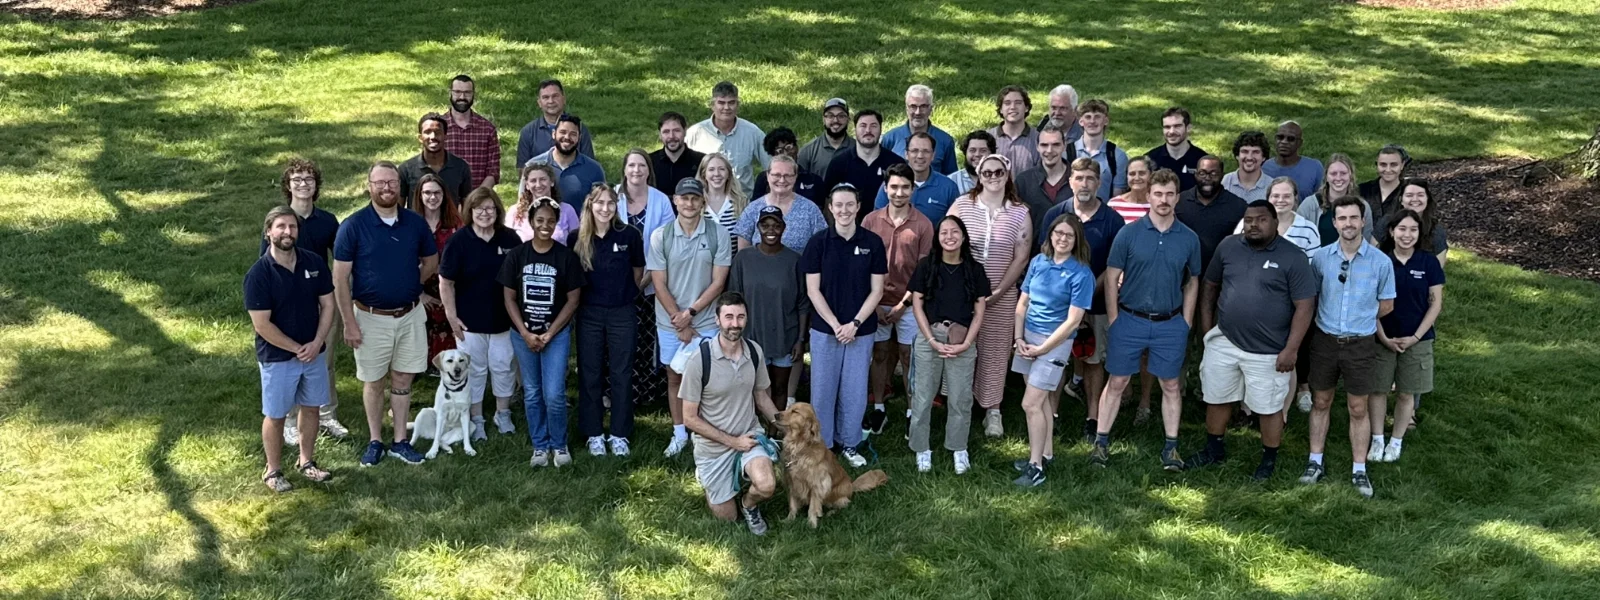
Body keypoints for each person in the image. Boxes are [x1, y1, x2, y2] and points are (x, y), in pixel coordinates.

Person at [1187, 201, 1318, 481]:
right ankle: (1214, 449)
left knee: (1269, 407)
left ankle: (1268, 459)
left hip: (1270, 349)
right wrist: (1209, 330)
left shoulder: (1292, 256)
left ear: (1275, 223)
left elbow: (1305, 305)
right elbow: (1210, 286)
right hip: (1224, 341)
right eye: (1248, 220)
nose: (1253, 225)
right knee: (1217, 397)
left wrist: (1291, 349)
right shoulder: (1228, 247)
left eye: (1261, 220)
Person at [1092, 169, 1201, 472]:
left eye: (1169, 194)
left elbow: (1193, 281)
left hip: (1170, 323)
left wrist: (1186, 322)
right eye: (1158, 193)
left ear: (1177, 197)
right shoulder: (1129, 233)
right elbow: (1112, 276)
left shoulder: (1189, 238)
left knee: (1170, 384)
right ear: (1149, 196)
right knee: (1117, 381)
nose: (1164, 200)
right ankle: (1101, 443)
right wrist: (1114, 319)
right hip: (1129, 318)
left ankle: (1171, 448)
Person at [333, 161, 438, 467]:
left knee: (404, 377)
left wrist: (411, 283)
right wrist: (349, 323)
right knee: (374, 381)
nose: (387, 188)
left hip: (409, 315)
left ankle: (401, 441)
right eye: (380, 183)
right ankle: (376, 439)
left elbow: (431, 261)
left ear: (399, 186)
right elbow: (340, 279)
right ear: (370, 186)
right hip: (369, 317)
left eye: (391, 183)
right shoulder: (353, 226)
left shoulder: (414, 223)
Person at [1302, 197, 1396, 499]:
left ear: (1363, 221)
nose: (1348, 224)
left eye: (1354, 218)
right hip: (1325, 341)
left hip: (1361, 343)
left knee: (1358, 407)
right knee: (1321, 401)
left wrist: (1360, 316)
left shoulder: (1381, 262)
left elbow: (1386, 305)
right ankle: (1315, 462)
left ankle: (1359, 469)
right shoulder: (1320, 258)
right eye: (1342, 218)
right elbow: (1312, 297)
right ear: (1334, 223)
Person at [246, 206, 336, 492]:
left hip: (313, 352)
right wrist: (299, 348)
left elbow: (328, 305)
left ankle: (306, 462)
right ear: (268, 232)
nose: (288, 232)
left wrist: (317, 342)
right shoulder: (258, 274)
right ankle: (273, 471)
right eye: (281, 226)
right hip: (278, 357)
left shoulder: (313, 262)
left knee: (311, 408)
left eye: (293, 227)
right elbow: (262, 325)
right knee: (276, 414)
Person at [680, 292, 783, 534]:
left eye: (740, 317)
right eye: (728, 317)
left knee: (767, 485)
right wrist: (732, 442)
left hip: (749, 437)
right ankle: (709, 476)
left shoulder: (754, 352)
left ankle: (749, 504)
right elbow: (689, 418)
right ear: (717, 320)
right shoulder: (699, 360)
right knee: (728, 519)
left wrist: (786, 426)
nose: (734, 324)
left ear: (746, 319)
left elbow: (762, 397)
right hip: (713, 448)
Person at [946, 154, 1033, 438]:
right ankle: (960, 404)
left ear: (1007, 174)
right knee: (961, 345)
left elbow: (1021, 258)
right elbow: (949, 244)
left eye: (998, 172)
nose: (993, 177)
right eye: (987, 172)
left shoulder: (1020, 212)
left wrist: (997, 293)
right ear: (979, 175)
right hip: (964, 294)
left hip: (1002, 294)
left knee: (995, 351)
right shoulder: (961, 205)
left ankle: (992, 410)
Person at [802, 184, 888, 467]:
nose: (844, 210)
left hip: (860, 331)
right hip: (826, 329)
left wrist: (854, 323)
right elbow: (813, 290)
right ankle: (823, 447)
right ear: (830, 207)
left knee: (854, 390)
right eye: (838, 205)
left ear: (858, 206)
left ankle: (850, 443)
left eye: (849, 204)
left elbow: (877, 290)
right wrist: (836, 324)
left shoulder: (872, 242)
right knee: (822, 390)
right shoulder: (818, 243)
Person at [264, 159, 349, 442]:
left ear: (316, 186)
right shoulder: (279, 222)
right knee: (289, 362)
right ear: (288, 186)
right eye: (297, 179)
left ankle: (327, 415)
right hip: (286, 305)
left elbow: (341, 260)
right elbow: (266, 267)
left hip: (323, 301)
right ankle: (289, 421)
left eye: (309, 179)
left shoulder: (327, 220)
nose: (303, 184)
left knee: (324, 360)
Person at [498, 197, 586, 468]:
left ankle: (559, 445)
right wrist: (524, 332)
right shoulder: (517, 255)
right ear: (530, 222)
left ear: (556, 223)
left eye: (550, 221)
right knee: (532, 391)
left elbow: (573, 299)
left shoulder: (566, 257)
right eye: (540, 220)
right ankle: (539, 445)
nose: (545, 225)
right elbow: (509, 298)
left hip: (555, 336)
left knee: (554, 393)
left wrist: (550, 333)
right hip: (523, 335)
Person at [648, 178, 733, 457]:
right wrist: (679, 319)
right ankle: (679, 433)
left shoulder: (717, 234)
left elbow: (718, 282)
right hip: (670, 323)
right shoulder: (661, 236)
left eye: (695, 198)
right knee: (674, 377)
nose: (689, 203)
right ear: (675, 200)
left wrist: (691, 314)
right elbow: (659, 284)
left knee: (708, 379)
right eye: (684, 198)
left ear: (703, 201)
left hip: (707, 321)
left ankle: (706, 434)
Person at [1041, 158, 1125, 441]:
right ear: (1070, 182)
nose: (1084, 184)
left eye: (1090, 178)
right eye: (1079, 178)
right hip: (1057, 306)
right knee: (1056, 359)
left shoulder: (1113, 220)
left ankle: (1092, 417)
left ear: (1099, 183)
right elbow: (1045, 257)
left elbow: (1115, 267)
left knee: (1092, 361)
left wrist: (1086, 295)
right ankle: (1051, 414)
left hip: (1098, 303)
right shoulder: (1056, 213)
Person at [1010, 214, 1095, 488]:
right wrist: (1018, 338)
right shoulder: (1038, 262)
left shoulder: (1082, 273)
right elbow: (1022, 304)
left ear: (1076, 240)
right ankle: (1046, 454)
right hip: (1028, 339)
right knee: (1042, 401)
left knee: (1030, 403)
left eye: (1069, 235)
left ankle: (1035, 468)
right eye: (1058, 233)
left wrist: (1042, 349)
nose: (1062, 239)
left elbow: (1073, 321)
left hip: (1054, 343)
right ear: (1050, 235)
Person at [907, 215, 990, 474]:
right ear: (938, 237)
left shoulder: (974, 269)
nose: (949, 237)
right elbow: (917, 304)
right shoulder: (926, 266)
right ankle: (921, 448)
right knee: (922, 397)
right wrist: (930, 339)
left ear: (963, 236)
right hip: (929, 337)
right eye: (944, 232)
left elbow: (980, 309)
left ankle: (958, 447)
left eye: (955, 232)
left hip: (961, 341)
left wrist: (967, 343)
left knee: (960, 399)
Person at [439, 188, 523, 440]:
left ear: (497, 211)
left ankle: (502, 413)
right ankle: (476, 417)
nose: (485, 213)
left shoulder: (510, 239)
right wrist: (452, 317)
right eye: (479, 209)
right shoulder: (459, 241)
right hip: (469, 322)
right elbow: (446, 282)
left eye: (490, 208)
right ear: (470, 211)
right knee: (473, 370)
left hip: (504, 320)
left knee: (503, 366)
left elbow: (519, 279)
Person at [573, 185, 646, 457]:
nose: (605, 208)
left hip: (622, 312)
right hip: (589, 313)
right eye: (600, 203)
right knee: (590, 373)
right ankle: (593, 433)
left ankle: (619, 434)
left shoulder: (629, 235)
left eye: (611, 203)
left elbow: (638, 272)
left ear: (618, 206)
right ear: (590, 206)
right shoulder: (577, 239)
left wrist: (626, 294)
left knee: (621, 373)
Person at [862, 164, 935, 433]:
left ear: (913, 190)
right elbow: (863, 265)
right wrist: (876, 305)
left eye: (905, 187)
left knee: (909, 356)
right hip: (876, 301)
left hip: (910, 302)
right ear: (885, 188)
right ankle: (879, 408)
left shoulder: (924, 224)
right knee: (879, 353)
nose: (899, 192)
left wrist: (904, 304)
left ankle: (911, 411)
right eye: (894, 186)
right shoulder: (870, 221)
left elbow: (924, 271)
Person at [1370, 209, 1444, 463]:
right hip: (1382, 338)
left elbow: (1435, 304)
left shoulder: (1429, 262)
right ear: (1392, 231)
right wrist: (1382, 337)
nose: (1407, 235)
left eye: (1413, 229)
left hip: (1417, 340)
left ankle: (1396, 441)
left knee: (1406, 393)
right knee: (1378, 390)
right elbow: (1370, 304)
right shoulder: (1380, 261)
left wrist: (1414, 337)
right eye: (1402, 229)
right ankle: (1377, 439)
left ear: (1419, 233)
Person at [729, 206, 809, 409]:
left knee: (780, 388)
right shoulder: (743, 259)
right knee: (754, 390)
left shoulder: (794, 261)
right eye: (765, 225)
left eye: (776, 225)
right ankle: (756, 433)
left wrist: (800, 339)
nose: (770, 230)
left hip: (784, 337)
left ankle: (775, 433)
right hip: (752, 337)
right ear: (758, 228)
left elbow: (802, 303)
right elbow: (734, 299)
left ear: (784, 228)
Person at [617, 149, 677, 415]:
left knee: (647, 340)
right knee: (618, 340)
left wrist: (643, 281)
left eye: (642, 165)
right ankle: (617, 391)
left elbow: (665, 243)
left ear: (648, 170)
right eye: (632, 165)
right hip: (616, 284)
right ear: (625, 169)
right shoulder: (613, 196)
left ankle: (647, 392)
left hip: (652, 282)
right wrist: (627, 283)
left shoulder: (661, 201)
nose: (636, 170)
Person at [410, 174, 463, 369]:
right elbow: (404, 263)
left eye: (437, 192)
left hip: (449, 287)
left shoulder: (456, 225)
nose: (432, 197)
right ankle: (419, 366)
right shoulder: (410, 225)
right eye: (427, 193)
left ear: (444, 195)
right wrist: (419, 293)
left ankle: (447, 363)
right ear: (420, 196)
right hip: (418, 286)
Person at [685, 81, 770, 196]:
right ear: (712, 105)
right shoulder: (695, 133)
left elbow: (771, 166)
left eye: (731, 103)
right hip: (705, 203)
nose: (726, 107)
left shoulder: (752, 132)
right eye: (721, 103)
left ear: (737, 105)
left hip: (742, 203)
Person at [735, 155, 830, 252]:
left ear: (795, 177)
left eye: (788, 175)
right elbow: (743, 255)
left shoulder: (810, 210)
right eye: (777, 175)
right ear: (767, 176)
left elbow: (822, 246)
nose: (782, 180)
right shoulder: (752, 209)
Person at [823, 109, 907, 215]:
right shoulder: (839, 163)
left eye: (873, 126)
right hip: (849, 227)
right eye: (863, 126)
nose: (868, 130)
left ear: (881, 129)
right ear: (855, 130)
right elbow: (828, 202)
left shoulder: (896, 163)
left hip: (886, 227)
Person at [1177, 155, 1247, 272]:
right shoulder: (1179, 202)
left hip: (1222, 274)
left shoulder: (1238, 206)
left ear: (1222, 176)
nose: (1207, 178)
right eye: (1202, 173)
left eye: (1213, 174)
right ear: (1195, 174)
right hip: (1184, 272)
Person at [873, 132, 960, 225]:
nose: (920, 156)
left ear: (933, 155)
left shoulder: (949, 188)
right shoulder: (891, 184)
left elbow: (955, 225)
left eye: (926, 151)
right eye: (914, 151)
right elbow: (877, 220)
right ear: (906, 154)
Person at [525, 115, 607, 212]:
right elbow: (523, 202)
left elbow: (601, 206)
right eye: (562, 132)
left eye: (573, 134)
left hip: (582, 226)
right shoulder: (533, 165)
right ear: (553, 134)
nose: (567, 137)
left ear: (579, 138)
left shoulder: (594, 169)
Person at [1297, 153, 1374, 246]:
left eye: (1343, 173)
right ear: (1326, 177)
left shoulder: (1363, 206)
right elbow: (1298, 239)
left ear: (1351, 176)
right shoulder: (1310, 205)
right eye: (1333, 173)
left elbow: (1367, 242)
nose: (1338, 178)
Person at [398, 112, 472, 208]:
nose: (432, 137)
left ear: (446, 136)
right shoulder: (406, 169)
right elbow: (398, 209)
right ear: (420, 138)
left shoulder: (461, 167)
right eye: (427, 132)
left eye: (437, 132)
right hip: (416, 223)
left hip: (450, 223)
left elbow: (467, 207)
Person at [881, 84, 959, 175]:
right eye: (913, 106)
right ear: (907, 109)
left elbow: (951, 178)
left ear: (930, 109)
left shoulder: (945, 141)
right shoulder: (890, 139)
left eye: (923, 107)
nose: (918, 112)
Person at [515, 78, 594, 167]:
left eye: (555, 96)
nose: (551, 101)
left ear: (564, 99)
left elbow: (589, 166)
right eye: (545, 97)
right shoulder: (528, 132)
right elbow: (522, 170)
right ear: (539, 103)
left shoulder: (580, 129)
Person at [1014, 126, 1075, 237]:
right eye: (1044, 145)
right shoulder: (1023, 181)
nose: (1049, 150)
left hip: (1069, 250)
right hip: (1033, 251)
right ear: (1037, 147)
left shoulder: (1078, 179)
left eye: (1055, 145)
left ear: (1064, 146)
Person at [1373, 179, 1449, 267]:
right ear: (1401, 199)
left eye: (1420, 195)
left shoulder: (1436, 231)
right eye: (1409, 195)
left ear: (1427, 199)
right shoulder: (1386, 222)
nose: (1415, 199)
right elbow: (1371, 257)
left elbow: (1437, 273)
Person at [443, 74, 501, 189]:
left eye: (467, 92)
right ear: (450, 93)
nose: (462, 97)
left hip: (478, 199)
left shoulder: (487, 129)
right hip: (444, 198)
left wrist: (477, 197)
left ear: (473, 94)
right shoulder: (439, 128)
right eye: (457, 92)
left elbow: (493, 171)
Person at [1070, 99, 1130, 201]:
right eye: (1088, 117)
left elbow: (1117, 196)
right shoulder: (1068, 152)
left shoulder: (1117, 156)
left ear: (1106, 121)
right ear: (1081, 121)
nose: (1092, 121)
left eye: (1097, 117)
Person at [507, 163, 581, 245]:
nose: (538, 185)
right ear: (527, 185)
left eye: (543, 179)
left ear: (552, 182)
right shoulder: (515, 211)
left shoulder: (567, 210)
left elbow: (578, 242)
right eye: (533, 181)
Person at [1145, 107, 1209, 191]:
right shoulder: (1150, 159)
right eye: (1167, 127)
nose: (1171, 131)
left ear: (1188, 128)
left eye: (1177, 126)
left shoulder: (1203, 161)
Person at [752, 127, 823, 201]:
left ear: (796, 148)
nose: (785, 153)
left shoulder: (813, 180)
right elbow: (756, 207)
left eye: (788, 147)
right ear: (773, 156)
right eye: (779, 151)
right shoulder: (764, 180)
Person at [698, 152, 749, 253]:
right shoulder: (697, 203)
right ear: (704, 174)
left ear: (728, 174)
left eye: (721, 169)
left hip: (733, 265)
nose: (717, 174)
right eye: (711, 169)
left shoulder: (741, 202)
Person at [651, 111, 707, 196]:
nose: (671, 136)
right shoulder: (649, 162)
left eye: (676, 131)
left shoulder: (702, 161)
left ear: (685, 131)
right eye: (666, 132)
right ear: (660, 134)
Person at [988, 85, 1041, 173]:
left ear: (1026, 108)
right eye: (1007, 103)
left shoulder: (1039, 139)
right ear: (1001, 109)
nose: (1013, 107)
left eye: (1018, 103)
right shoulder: (988, 138)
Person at [1262, 121, 1324, 197]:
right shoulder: (1264, 167)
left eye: (1291, 139)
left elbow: (1323, 199)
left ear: (1300, 143)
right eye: (1280, 137)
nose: (1284, 142)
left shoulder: (1315, 167)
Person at [798, 98, 852, 178]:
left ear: (848, 119)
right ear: (824, 119)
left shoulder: (858, 149)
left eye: (841, 116)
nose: (835, 120)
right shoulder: (808, 152)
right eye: (830, 116)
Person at [1359, 144, 1411, 220]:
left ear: (1402, 165)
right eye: (1383, 165)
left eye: (1393, 165)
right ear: (1377, 165)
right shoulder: (1362, 190)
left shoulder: (1409, 193)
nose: (1388, 170)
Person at [1222, 131, 1271, 202]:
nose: (1249, 157)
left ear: (1263, 157)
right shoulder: (1225, 182)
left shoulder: (1272, 186)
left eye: (1255, 152)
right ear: (1237, 156)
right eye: (1245, 151)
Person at [1108, 156, 1153, 224]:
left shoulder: (1158, 203)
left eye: (1142, 173)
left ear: (1151, 175)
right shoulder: (1114, 204)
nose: (1137, 178)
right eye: (1132, 174)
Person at [950, 130, 996, 196]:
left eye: (983, 150)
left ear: (991, 153)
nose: (977, 154)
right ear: (965, 153)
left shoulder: (1000, 180)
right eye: (972, 150)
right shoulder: (952, 181)